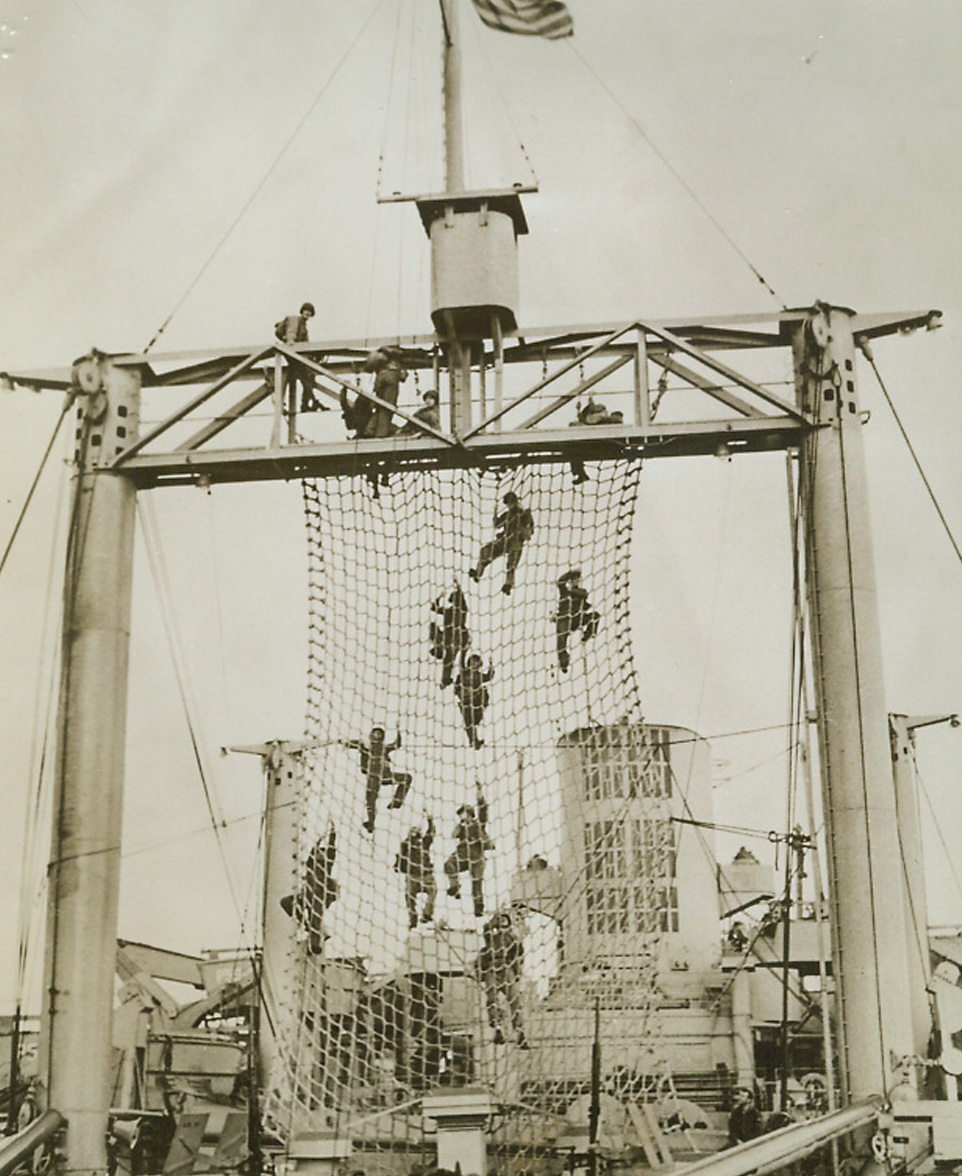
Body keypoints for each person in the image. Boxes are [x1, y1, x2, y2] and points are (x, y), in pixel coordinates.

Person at [280, 824, 338, 954]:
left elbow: (332, 850)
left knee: (315, 920)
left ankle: (315, 944)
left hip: (319, 895)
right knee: (286, 902)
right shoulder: (311, 865)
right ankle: (305, 924)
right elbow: (313, 852)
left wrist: (332, 834)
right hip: (307, 894)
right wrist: (320, 839)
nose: (320, 855)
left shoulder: (326, 866)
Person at [342, 727, 412, 834]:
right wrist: (344, 742)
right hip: (373, 776)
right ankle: (370, 822)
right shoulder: (366, 746)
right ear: (372, 735)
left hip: (385, 775)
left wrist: (398, 731)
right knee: (371, 799)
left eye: (380, 734)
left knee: (407, 778)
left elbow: (396, 744)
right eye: (376, 734)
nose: (378, 736)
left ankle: (397, 801)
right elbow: (356, 744)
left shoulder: (384, 748)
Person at [475, 911, 528, 1047]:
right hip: (492, 968)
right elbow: (487, 928)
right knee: (492, 999)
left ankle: (519, 1032)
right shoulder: (491, 939)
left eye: (504, 923)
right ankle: (498, 1028)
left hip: (506, 968)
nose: (502, 927)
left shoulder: (512, 938)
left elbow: (519, 952)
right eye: (500, 924)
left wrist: (517, 969)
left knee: (514, 1000)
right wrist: (496, 919)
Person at [468, 492, 534, 595]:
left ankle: (508, 584)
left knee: (511, 564)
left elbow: (530, 530)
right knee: (486, 551)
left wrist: (522, 530)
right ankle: (478, 572)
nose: (510, 506)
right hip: (505, 540)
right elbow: (497, 524)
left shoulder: (524, 514)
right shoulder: (508, 515)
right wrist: (495, 513)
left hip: (515, 542)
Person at [444, 788, 494, 917]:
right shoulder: (461, 827)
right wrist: (460, 826)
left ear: (469, 813)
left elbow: (483, 810)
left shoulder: (478, 824)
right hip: (463, 855)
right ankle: (455, 886)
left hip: (477, 857)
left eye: (463, 813)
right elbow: (452, 835)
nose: (461, 816)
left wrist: (479, 791)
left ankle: (478, 907)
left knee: (476, 883)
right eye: (460, 814)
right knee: (449, 864)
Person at [274, 302, 320, 412]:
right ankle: (308, 403)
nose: (308, 313)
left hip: (296, 353)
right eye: (306, 311)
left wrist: (312, 357)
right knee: (305, 375)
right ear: (302, 311)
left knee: (308, 375)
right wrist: (290, 341)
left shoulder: (304, 326)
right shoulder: (295, 319)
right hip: (292, 351)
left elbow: (306, 344)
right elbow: (291, 332)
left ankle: (307, 402)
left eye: (310, 312)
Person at [554, 569, 600, 672]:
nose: (575, 581)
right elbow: (560, 582)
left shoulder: (580, 592)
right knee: (561, 640)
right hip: (564, 619)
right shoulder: (564, 591)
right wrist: (569, 573)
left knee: (595, 616)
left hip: (576, 619)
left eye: (577, 579)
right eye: (573, 579)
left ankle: (587, 635)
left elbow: (584, 594)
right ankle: (564, 662)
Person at [394, 817, 437, 929]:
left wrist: (430, 820)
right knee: (409, 897)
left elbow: (431, 833)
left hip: (425, 875)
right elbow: (401, 857)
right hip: (412, 876)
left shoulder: (424, 842)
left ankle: (427, 914)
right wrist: (397, 865)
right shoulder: (406, 844)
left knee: (432, 891)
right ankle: (413, 918)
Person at [569, 397, 624, 484]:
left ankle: (580, 473)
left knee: (573, 449)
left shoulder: (611, 420)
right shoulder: (604, 420)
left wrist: (590, 404)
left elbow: (591, 420)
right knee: (573, 450)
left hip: (606, 446)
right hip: (599, 446)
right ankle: (580, 473)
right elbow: (588, 420)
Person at [428, 584, 470, 688]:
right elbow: (434, 608)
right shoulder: (449, 611)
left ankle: (445, 679)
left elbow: (461, 598)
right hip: (448, 637)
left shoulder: (462, 610)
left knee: (449, 659)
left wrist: (458, 586)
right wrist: (439, 597)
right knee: (432, 627)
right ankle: (439, 649)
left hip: (457, 638)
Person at [363, 345, 409, 438]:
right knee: (388, 407)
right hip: (392, 377)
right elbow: (402, 377)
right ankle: (381, 433)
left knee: (379, 406)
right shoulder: (396, 357)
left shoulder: (382, 354)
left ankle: (370, 430)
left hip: (380, 378)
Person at [453, 654, 494, 748]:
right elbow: (456, 688)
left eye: (476, 663)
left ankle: (474, 739)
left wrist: (491, 666)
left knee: (474, 720)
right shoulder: (463, 674)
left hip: (476, 700)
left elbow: (488, 677)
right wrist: (462, 692)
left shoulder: (478, 676)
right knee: (469, 722)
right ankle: (474, 741)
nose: (473, 664)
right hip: (466, 701)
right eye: (472, 662)